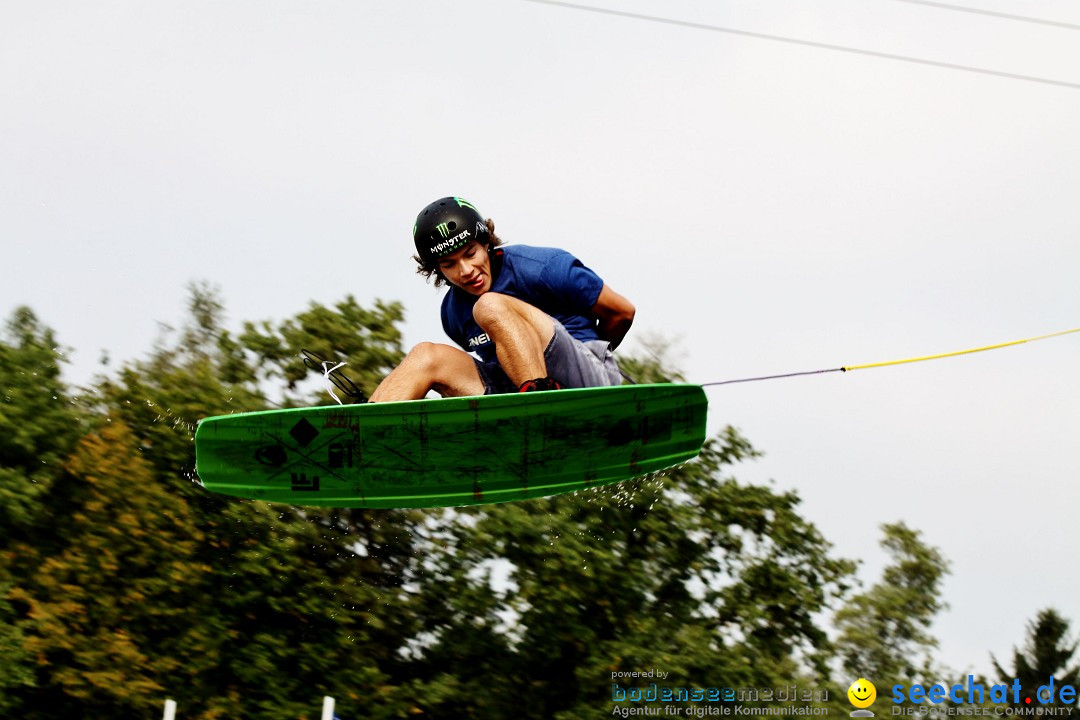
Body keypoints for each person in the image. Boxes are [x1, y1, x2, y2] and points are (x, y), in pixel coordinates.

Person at [368, 196, 635, 401]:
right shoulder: (452, 313)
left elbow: (622, 312)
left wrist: (591, 358)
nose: (465, 271)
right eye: (449, 264)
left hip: (588, 378)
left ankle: (539, 402)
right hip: (514, 389)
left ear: (486, 243)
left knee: (489, 306)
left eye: (470, 253)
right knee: (425, 355)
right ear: (437, 270)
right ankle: (363, 431)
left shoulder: (544, 268)